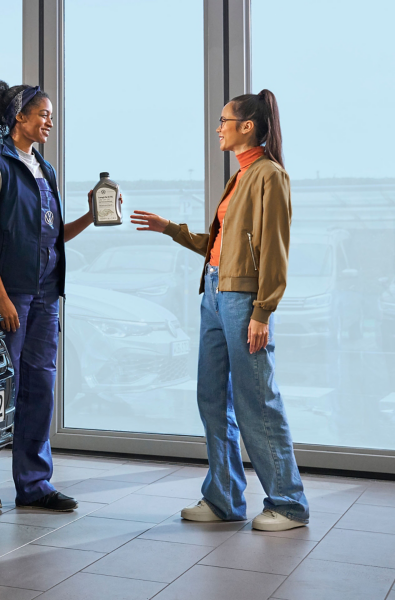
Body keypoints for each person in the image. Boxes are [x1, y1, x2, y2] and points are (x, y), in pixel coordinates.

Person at [130, 90, 309, 531]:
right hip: (214, 293)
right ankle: (225, 498)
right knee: (211, 396)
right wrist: (169, 228)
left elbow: (274, 251)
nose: (218, 127)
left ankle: (288, 504)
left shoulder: (268, 175)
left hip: (243, 300)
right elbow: (220, 249)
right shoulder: (240, 177)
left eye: (224, 120)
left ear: (247, 126)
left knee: (257, 400)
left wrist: (262, 312)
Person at [0, 80, 110, 512]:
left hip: (46, 294)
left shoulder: (45, 169)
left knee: (40, 386)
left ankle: (35, 485)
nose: (49, 122)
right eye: (43, 114)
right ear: (18, 117)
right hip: (10, 293)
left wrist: (90, 218)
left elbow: (53, 235)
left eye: (52, 116)